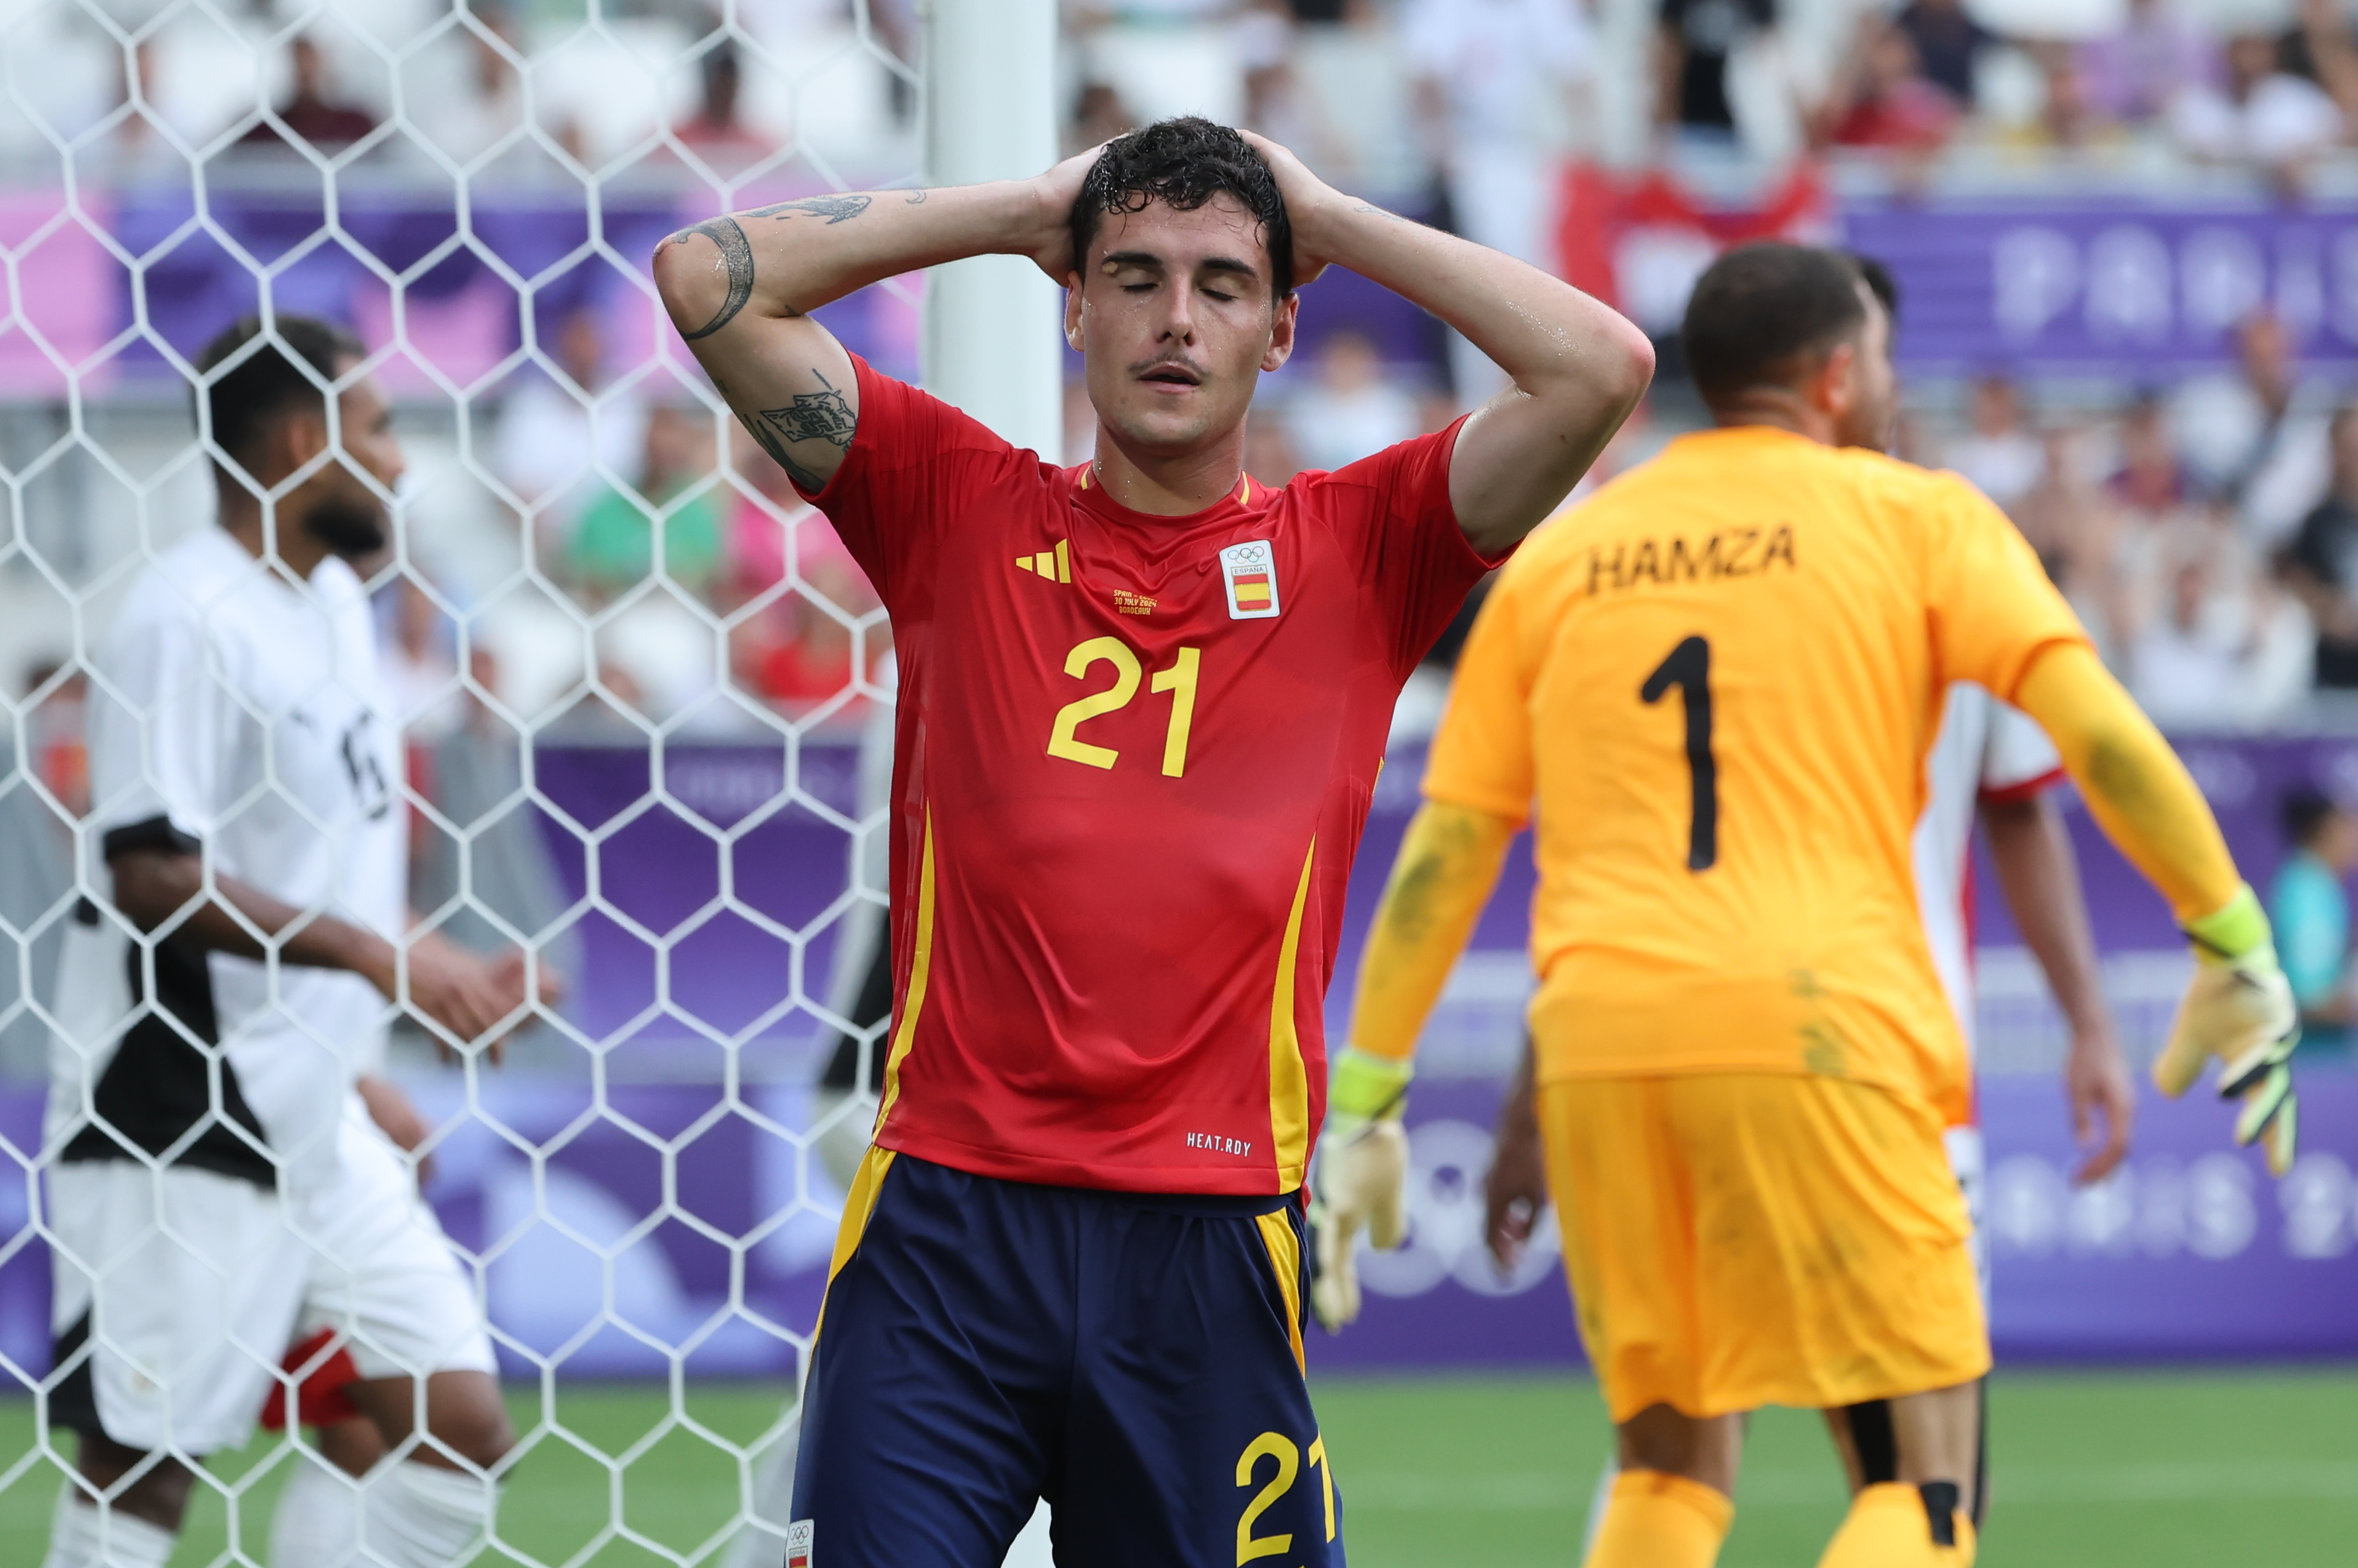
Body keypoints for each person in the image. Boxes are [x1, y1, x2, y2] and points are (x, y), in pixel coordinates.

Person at [651, 116, 1653, 1566]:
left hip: (1209, 1243)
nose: (1175, 320)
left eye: (1223, 285)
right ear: (1072, 305)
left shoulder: (1365, 552)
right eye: (1130, 275)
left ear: (1282, 325)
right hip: (945, 1233)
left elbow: (1603, 367)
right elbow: (708, 279)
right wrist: (1027, 205)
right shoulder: (950, 506)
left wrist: (1324, 209)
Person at [1314, 241, 2296, 1568]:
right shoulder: (1918, 518)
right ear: (1839, 375)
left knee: (1666, 1461)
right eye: (1882, 361)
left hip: (1603, 1046)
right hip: (1824, 1025)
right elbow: (2105, 739)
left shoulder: (1564, 553)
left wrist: (1368, 1090)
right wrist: (2228, 936)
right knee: (1924, 1481)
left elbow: (1447, 853)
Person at [40, 315, 554, 1568]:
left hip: (313, 1114)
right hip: (178, 1113)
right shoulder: (180, 616)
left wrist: (374, 1038)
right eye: (377, 427)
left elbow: (319, 863)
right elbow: (149, 871)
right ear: (293, 441)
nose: (398, 459)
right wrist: (384, 964)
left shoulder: (334, 602)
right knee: (143, 1471)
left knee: (454, 1431)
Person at [2271, 787, 2357, 1058]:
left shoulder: (2315, 884)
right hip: (2312, 1067)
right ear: (2326, 830)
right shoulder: (2308, 894)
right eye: (2347, 823)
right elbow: (2314, 999)